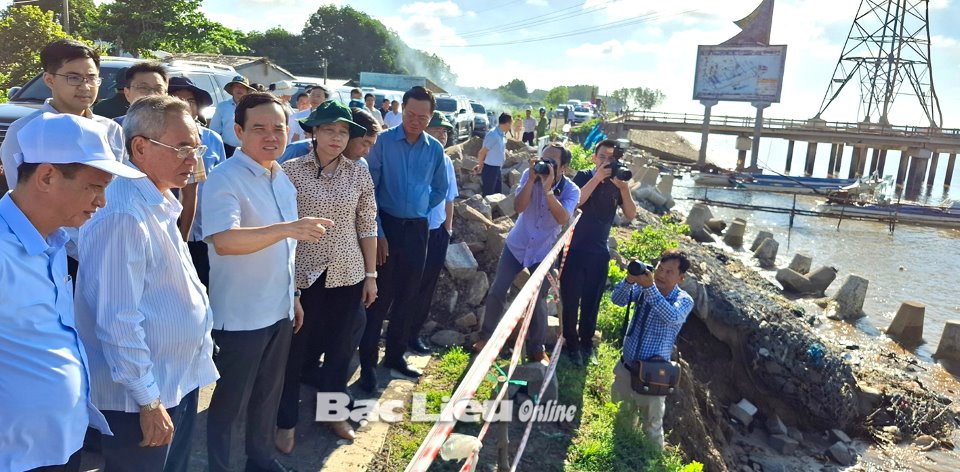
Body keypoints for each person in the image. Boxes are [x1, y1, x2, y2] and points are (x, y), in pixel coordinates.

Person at [74, 96, 218, 471]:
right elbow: (117, 319)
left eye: (197, 146)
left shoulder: (158, 197)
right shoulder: (123, 213)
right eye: (183, 147)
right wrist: (148, 400)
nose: (193, 158)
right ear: (140, 147)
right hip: (139, 397)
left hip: (175, 380)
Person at [0, 113, 142, 472]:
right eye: (94, 187)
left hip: (59, 442)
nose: (102, 202)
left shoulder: (55, 241)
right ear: (47, 176)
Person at [202, 93, 325, 472]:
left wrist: (294, 297)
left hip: (278, 309)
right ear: (238, 131)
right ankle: (219, 467)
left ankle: (260, 460)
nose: (271, 136)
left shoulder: (280, 176)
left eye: (279, 128)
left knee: (268, 397)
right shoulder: (225, 178)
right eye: (259, 129)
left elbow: (283, 251)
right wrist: (287, 228)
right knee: (229, 403)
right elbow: (225, 240)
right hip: (240, 315)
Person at [276, 101, 378, 449]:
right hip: (304, 275)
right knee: (296, 351)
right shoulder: (290, 171)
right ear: (314, 132)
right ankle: (285, 420)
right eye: (330, 130)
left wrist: (370, 274)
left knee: (340, 350)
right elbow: (282, 228)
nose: (337, 138)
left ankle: (334, 413)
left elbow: (366, 224)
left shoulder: (359, 172)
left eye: (343, 131)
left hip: (348, 273)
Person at [358, 86, 448, 392]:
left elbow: (440, 188)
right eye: (410, 114)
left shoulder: (434, 148)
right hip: (385, 227)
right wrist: (380, 231)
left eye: (423, 117)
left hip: (418, 229)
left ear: (430, 116)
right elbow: (369, 191)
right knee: (378, 299)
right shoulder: (383, 143)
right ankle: (366, 365)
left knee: (409, 294)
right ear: (402, 110)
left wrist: (419, 208)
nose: (415, 121)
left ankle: (394, 356)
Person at [473, 145, 580, 363]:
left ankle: (536, 349)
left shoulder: (572, 190)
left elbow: (562, 218)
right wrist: (532, 181)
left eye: (552, 162)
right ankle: (487, 337)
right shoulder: (528, 175)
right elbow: (518, 207)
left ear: (564, 168)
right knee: (498, 290)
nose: (546, 165)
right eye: (544, 159)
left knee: (538, 300)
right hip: (517, 245)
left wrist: (548, 190)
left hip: (542, 252)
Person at [2, 39, 124, 192]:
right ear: (49, 80)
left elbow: (117, 190)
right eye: (73, 78)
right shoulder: (22, 131)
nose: (85, 86)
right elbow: (21, 194)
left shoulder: (111, 130)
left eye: (92, 78)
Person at [560, 140, 637, 366]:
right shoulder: (584, 176)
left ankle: (586, 343)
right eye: (602, 156)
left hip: (599, 252)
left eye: (611, 158)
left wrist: (623, 189)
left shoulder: (617, 182)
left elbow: (631, 215)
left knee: (592, 303)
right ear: (594, 157)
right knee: (571, 300)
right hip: (574, 250)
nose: (606, 162)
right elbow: (576, 202)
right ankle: (571, 345)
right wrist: (597, 178)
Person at [609, 249, 693, 450]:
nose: (661, 275)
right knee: (621, 420)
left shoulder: (683, 300)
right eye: (660, 268)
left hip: (653, 375)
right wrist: (629, 280)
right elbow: (617, 299)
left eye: (669, 272)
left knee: (652, 429)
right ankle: (621, 455)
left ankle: (652, 463)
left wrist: (649, 289)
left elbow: (671, 317)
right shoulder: (644, 288)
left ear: (681, 278)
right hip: (626, 368)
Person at [168, 76, 227, 287]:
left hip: (204, 231)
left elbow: (221, 183)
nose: (184, 105)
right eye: (176, 98)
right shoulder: (157, 142)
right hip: (168, 230)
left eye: (190, 100)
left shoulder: (212, 140)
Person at [407, 111, 458, 353]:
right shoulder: (414, 157)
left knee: (426, 287)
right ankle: (395, 333)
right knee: (407, 284)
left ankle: (412, 334)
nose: (443, 135)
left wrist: (447, 229)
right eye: (437, 130)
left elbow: (450, 198)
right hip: (412, 229)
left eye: (445, 131)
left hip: (436, 232)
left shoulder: (446, 161)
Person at [209, 74, 255, 157]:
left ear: (247, 90)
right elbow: (214, 131)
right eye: (236, 86)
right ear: (232, 89)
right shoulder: (222, 106)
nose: (239, 89)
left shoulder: (252, 107)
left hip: (248, 150)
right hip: (227, 150)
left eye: (242, 87)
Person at [114, 61, 168, 125]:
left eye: (158, 89)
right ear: (127, 93)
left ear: (166, 95)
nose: (151, 94)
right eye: (143, 88)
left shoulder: (178, 128)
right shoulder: (113, 129)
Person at [472, 112, 510, 196]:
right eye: (510, 124)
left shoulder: (502, 135)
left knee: (497, 195)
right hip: (490, 169)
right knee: (488, 195)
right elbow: (482, 152)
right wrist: (480, 165)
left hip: (497, 169)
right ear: (507, 123)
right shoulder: (493, 135)